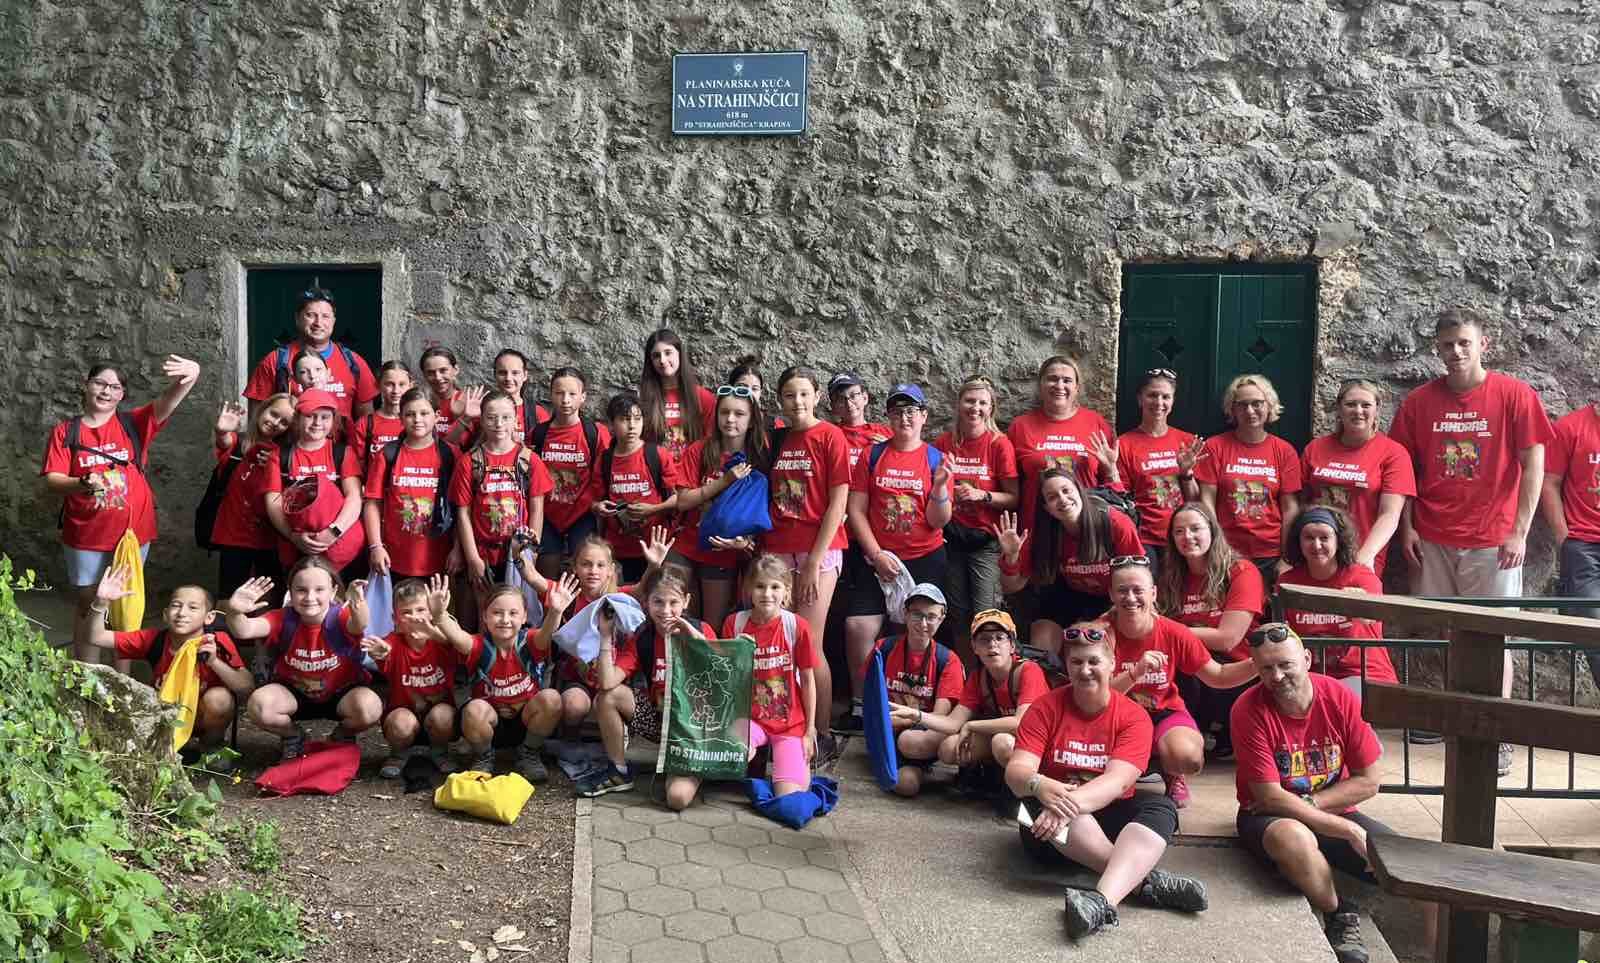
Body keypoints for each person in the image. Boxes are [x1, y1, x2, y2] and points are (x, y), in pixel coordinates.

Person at [1390, 308, 1552, 774]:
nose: (1456, 351)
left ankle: (1495, 734)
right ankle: (1457, 721)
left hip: (1493, 537)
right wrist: (1407, 526)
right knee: (1445, 631)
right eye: (1447, 344)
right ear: (1437, 349)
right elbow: (1403, 467)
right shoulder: (1419, 402)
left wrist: (1519, 530)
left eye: (1464, 342)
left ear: (1484, 344)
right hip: (1434, 534)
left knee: (1493, 635)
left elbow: (1534, 463)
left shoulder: (1514, 394)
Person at [1006, 623, 1208, 940]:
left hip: (1095, 812)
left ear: (1112, 664)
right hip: (1050, 832)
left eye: (1094, 661)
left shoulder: (1133, 716)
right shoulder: (1045, 707)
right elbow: (1017, 770)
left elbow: (1117, 782)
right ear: (1067, 666)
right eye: (1076, 662)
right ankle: (1143, 881)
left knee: (1162, 807)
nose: (1085, 670)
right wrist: (1039, 785)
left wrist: (1066, 805)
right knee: (1028, 807)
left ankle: (1102, 902)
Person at [1231, 623, 1391, 963]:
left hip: (1329, 807)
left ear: (1306, 659)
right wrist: (1348, 830)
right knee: (1294, 838)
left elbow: (1369, 780)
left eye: (1285, 664)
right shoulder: (1247, 708)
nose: (1277, 676)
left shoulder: (1339, 696)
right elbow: (1270, 797)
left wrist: (1312, 805)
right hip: (1269, 816)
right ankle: (1338, 913)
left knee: (1407, 858)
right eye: (1266, 668)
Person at [43, 356, 200, 662]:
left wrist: (192, 375)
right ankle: (88, 673)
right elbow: (53, 479)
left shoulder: (133, 424)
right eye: (100, 383)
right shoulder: (66, 432)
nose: (106, 391)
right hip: (86, 535)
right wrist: (82, 483)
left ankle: (123, 678)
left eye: (114, 387)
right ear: (86, 385)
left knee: (124, 605)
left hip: (133, 534)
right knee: (89, 603)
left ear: (122, 394)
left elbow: (169, 400)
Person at [843, 383, 954, 728]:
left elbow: (939, 521)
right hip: (877, 557)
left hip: (924, 557)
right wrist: (876, 554)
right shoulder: (873, 455)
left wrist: (939, 489)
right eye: (896, 412)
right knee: (858, 627)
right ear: (888, 417)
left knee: (916, 629)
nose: (904, 418)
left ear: (923, 416)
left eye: (911, 411)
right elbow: (856, 510)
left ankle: (909, 708)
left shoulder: (935, 458)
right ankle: (862, 704)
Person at [1104, 560, 1258, 808]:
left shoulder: (1173, 631)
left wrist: (1258, 664)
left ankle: (1172, 771)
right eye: (1122, 590)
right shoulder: (1100, 633)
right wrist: (1135, 673)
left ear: (1153, 593)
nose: (1130, 598)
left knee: (1187, 756)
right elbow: (1096, 696)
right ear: (1111, 594)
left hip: (1163, 711)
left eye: (1138, 590)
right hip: (1114, 717)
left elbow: (1217, 675)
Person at [680, 554, 816, 809]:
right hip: (748, 718)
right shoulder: (736, 623)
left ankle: (778, 773)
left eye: (775, 587)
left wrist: (810, 731)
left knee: (790, 801)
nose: (767, 594)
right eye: (760, 586)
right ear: (749, 590)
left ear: (786, 590)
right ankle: (752, 765)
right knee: (730, 756)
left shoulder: (796, 626)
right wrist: (700, 639)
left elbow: (808, 681)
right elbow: (722, 667)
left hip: (790, 723)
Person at [79, 566, 253, 763]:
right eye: (176, 606)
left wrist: (214, 661)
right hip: (165, 714)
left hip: (203, 716)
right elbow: (95, 637)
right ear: (165, 614)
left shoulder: (217, 641)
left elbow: (246, 687)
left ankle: (210, 748)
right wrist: (101, 603)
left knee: (220, 698)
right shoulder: (154, 639)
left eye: (193, 608)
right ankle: (171, 748)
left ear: (209, 617)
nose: (182, 613)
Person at [765, 366, 848, 762]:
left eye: (803, 394)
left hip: (819, 550)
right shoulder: (777, 439)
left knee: (809, 643)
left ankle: (823, 732)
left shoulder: (830, 436)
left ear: (816, 396)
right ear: (780, 399)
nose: (797, 401)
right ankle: (788, 725)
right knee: (781, 640)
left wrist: (814, 560)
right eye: (789, 395)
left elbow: (838, 501)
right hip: (778, 548)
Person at [575, 567, 715, 797]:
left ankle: (698, 765)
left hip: (694, 729)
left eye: (673, 602)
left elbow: (720, 670)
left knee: (677, 798)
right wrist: (605, 636)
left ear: (686, 601)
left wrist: (691, 636)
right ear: (647, 603)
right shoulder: (643, 638)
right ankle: (619, 772)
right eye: (658, 602)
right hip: (660, 723)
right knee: (608, 697)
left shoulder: (701, 630)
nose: (666, 610)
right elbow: (607, 682)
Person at [226, 558, 380, 760]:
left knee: (370, 707)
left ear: (333, 591)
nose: (310, 597)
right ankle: (292, 736)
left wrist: (357, 602)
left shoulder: (341, 617)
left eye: (319, 590)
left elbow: (359, 624)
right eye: (301, 590)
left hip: (341, 694)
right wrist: (235, 611)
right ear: (290, 592)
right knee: (259, 705)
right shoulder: (282, 618)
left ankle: (342, 735)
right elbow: (244, 630)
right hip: (293, 695)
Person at [994, 469, 1143, 662]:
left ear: (1080, 491)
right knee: (1042, 636)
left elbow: (1139, 578)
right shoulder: (1043, 533)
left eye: (1066, 490)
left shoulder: (1114, 522)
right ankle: (1045, 676)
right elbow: (1011, 586)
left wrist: (1104, 619)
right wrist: (1011, 556)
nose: (1062, 500)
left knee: (1094, 642)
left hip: (1113, 596)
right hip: (1070, 593)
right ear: (1047, 508)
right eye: (1052, 497)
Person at [1158, 502, 1264, 758]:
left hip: (1237, 669)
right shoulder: (1170, 577)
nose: (1187, 536)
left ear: (1212, 531)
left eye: (1195, 528)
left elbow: (1228, 638)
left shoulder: (1241, 571)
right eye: (1179, 531)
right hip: (1191, 665)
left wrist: (1174, 632)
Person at [933, 376, 1021, 659]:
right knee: (957, 613)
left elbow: (1013, 497)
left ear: (991, 408)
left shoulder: (999, 444)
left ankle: (990, 673)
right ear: (959, 404)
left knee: (986, 614)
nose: (976, 408)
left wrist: (981, 495)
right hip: (952, 538)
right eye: (970, 401)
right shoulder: (944, 442)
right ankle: (965, 673)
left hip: (985, 541)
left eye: (983, 402)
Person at [910, 609, 1048, 778]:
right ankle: (993, 775)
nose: (992, 644)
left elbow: (1021, 723)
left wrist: (972, 725)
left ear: (1012, 645)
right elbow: (952, 723)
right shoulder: (978, 677)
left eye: (999, 638)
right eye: (984, 639)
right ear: (974, 647)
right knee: (949, 749)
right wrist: (914, 714)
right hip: (1005, 736)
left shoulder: (1029, 670)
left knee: (1002, 742)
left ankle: (1027, 787)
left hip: (1039, 741)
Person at [674, 384, 768, 630]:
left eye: (739, 414)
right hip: (687, 544)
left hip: (724, 552)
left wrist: (745, 542)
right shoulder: (699, 450)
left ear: (751, 420)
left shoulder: (760, 457)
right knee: (678, 620)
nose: (730, 419)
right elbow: (683, 501)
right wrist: (725, 481)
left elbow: (762, 512)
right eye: (724, 412)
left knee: (712, 627)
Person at [1277, 507, 1398, 695]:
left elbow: (1374, 616)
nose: (1317, 545)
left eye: (1324, 538)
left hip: (1363, 672)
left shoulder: (1361, 576)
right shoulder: (1287, 582)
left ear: (1338, 540)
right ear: (1298, 541)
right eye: (1309, 538)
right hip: (1309, 676)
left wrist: (1360, 605)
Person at [1196, 374, 1303, 586]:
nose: (1250, 411)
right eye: (1242, 405)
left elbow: (1290, 507)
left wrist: (1287, 557)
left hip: (1270, 553)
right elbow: (1206, 500)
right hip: (1227, 550)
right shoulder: (1215, 447)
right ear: (1232, 409)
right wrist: (1216, 545)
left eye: (1257, 403)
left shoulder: (1284, 451)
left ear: (1269, 405)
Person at [1301, 379, 1415, 576]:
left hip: (1363, 554)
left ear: (1377, 409)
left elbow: (1389, 514)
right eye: (1351, 404)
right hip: (1316, 554)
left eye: (1366, 405)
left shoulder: (1393, 453)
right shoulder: (1315, 448)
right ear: (1339, 408)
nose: (1358, 411)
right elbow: (1299, 503)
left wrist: (1364, 557)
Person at [450, 391, 554, 606]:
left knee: (516, 610)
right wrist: (472, 557)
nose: (499, 424)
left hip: (517, 552)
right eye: (491, 417)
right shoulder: (470, 462)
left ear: (516, 420)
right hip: (483, 552)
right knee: (486, 611)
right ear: (482, 420)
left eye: (506, 417)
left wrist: (531, 552)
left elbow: (537, 509)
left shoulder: (529, 460)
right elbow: (463, 513)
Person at [360, 575, 466, 778]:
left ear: (431, 612)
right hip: (404, 718)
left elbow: (454, 644)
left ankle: (439, 751)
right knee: (400, 722)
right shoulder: (393, 642)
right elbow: (385, 649)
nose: (415, 617)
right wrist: (380, 653)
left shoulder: (442, 640)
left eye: (420, 610)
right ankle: (399, 754)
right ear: (395, 619)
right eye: (406, 612)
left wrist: (432, 630)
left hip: (438, 719)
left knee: (443, 716)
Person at [457, 584, 564, 780]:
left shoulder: (530, 640)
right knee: (472, 709)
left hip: (526, 723)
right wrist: (439, 616)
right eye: (497, 613)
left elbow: (547, 633)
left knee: (552, 699)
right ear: (485, 616)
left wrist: (555, 612)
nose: (505, 620)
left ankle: (529, 752)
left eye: (513, 613)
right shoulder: (478, 644)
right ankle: (483, 756)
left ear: (524, 617)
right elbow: (456, 636)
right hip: (491, 724)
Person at [261, 389, 365, 578]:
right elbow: (273, 502)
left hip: (341, 544)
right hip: (297, 547)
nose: (317, 423)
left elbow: (354, 497)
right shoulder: (280, 456)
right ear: (297, 419)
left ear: (333, 421)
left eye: (325, 417)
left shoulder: (342, 453)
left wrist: (334, 531)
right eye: (310, 416)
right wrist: (293, 536)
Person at [1006, 356, 1115, 532]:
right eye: (1052, 379)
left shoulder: (1096, 423)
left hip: (1086, 525)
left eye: (1067, 380)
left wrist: (1112, 470)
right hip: (1037, 526)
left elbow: (1111, 482)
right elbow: (1010, 485)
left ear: (1077, 387)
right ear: (1041, 385)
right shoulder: (1020, 426)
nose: (1059, 385)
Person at [875, 584, 965, 797]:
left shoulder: (948, 660)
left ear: (941, 619)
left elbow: (939, 718)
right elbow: (871, 703)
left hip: (921, 734)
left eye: (931, 617)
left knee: (909, 743)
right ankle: (910, 769)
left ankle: (923, 766)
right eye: (917, 614)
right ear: (905, 614)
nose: (923, 623)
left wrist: (900, 719)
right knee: (905, 785)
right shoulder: (883, 649)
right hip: (887, 734)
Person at [363, 388, 459, 581]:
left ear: (436, 416)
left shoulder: (450, 454)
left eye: (424, 413)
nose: (417, 419)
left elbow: (460, 508)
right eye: (410, 414)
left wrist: (458, 549)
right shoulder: (388, 454)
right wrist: (376, 546)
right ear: (400, 417)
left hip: (440, 557)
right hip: (394, 557)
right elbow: (372, 503)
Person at [1539, 394, 1600, 689]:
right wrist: (1564, 537)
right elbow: (1549, 483)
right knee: (1593, 630)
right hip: (1583, 546)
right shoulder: (1571, 427)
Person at [243, 288, 377, 419]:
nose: (318, 323)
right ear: (297, 318)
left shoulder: (354, 362)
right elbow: (256, 421)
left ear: (333, 321)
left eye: (325, 316)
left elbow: (367, 422)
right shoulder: (275, 361)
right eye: (310, 315)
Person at [209, 394, 294, 599]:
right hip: (234, 536)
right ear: (262, 409)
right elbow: (225, 442)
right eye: (273, 414)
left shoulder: (286, 454)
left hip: (270, 539)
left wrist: (277, 466)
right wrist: (222, 431)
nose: (276, 423)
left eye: (284, 422)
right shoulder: (239, 443)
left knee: (269, 597)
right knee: (230, 596)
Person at [1114, 369, 1204, 564]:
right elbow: (1122, 500)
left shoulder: (1187, 441)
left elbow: (1196, 501)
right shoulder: (1124, 444)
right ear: (1140, 399)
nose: (1159, 402)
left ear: (1173, 401)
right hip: (1144, 539)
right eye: (1152, 395)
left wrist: (1186, 473)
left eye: (1166, 397)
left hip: (1183, 535)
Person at [593, 391, 683, 584]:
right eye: (624, 419)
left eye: (637, 418)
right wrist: (598, 507)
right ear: (611, 425)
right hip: (618, 547)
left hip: (655, 545)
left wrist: (654, 509)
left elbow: (678, 498)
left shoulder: (657, 455)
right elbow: (595, 500)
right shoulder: (605, 460)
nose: (632, 425)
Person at [533, 367, 610, 579]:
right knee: (546, 571)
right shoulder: (539, 433)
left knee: (585, 572)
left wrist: (595, 504)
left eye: (572, 394)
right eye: (559, 393)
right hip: (547, 514)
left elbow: (603, 474)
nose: (565, 400)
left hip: (583, 514)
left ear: (583, 397)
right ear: (551, 395)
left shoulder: (595, 433)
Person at [639, 328, 714, 461]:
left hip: (691, 471)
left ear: (679, 353)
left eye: (668, 353)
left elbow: (712, 441)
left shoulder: (703, 397)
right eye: (656, 356)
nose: (662, 360)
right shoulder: (645, 399)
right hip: (658, 470)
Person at [350, 361, 414, 471]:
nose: (396, 390)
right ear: (378, 385)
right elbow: (355, 467)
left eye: (402, 384)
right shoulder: (365, 424)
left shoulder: (416, 422)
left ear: (410, 386)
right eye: (389, 384)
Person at [420, 346, 485, 449]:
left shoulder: (470, 402)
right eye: (431, 373)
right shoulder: (420, 403)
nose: (438, 377)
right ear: (424, 375)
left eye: (443, 370)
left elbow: (476, 444)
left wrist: (463, 417)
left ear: (455, 370)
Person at [492, 348, 551, 443]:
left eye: (515, 373)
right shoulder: (484, 410)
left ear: (524, 375)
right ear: (495, 375)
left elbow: (547, 446)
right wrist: (468, 418)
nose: (508, 378)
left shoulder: (538, 413)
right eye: (502, 372)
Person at [727, 355, 784, 430]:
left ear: (760, 392)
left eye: (754, 389)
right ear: (730, 388)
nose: (749, 393)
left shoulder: (776, 425)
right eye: (742, 387)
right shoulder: (723, 421)